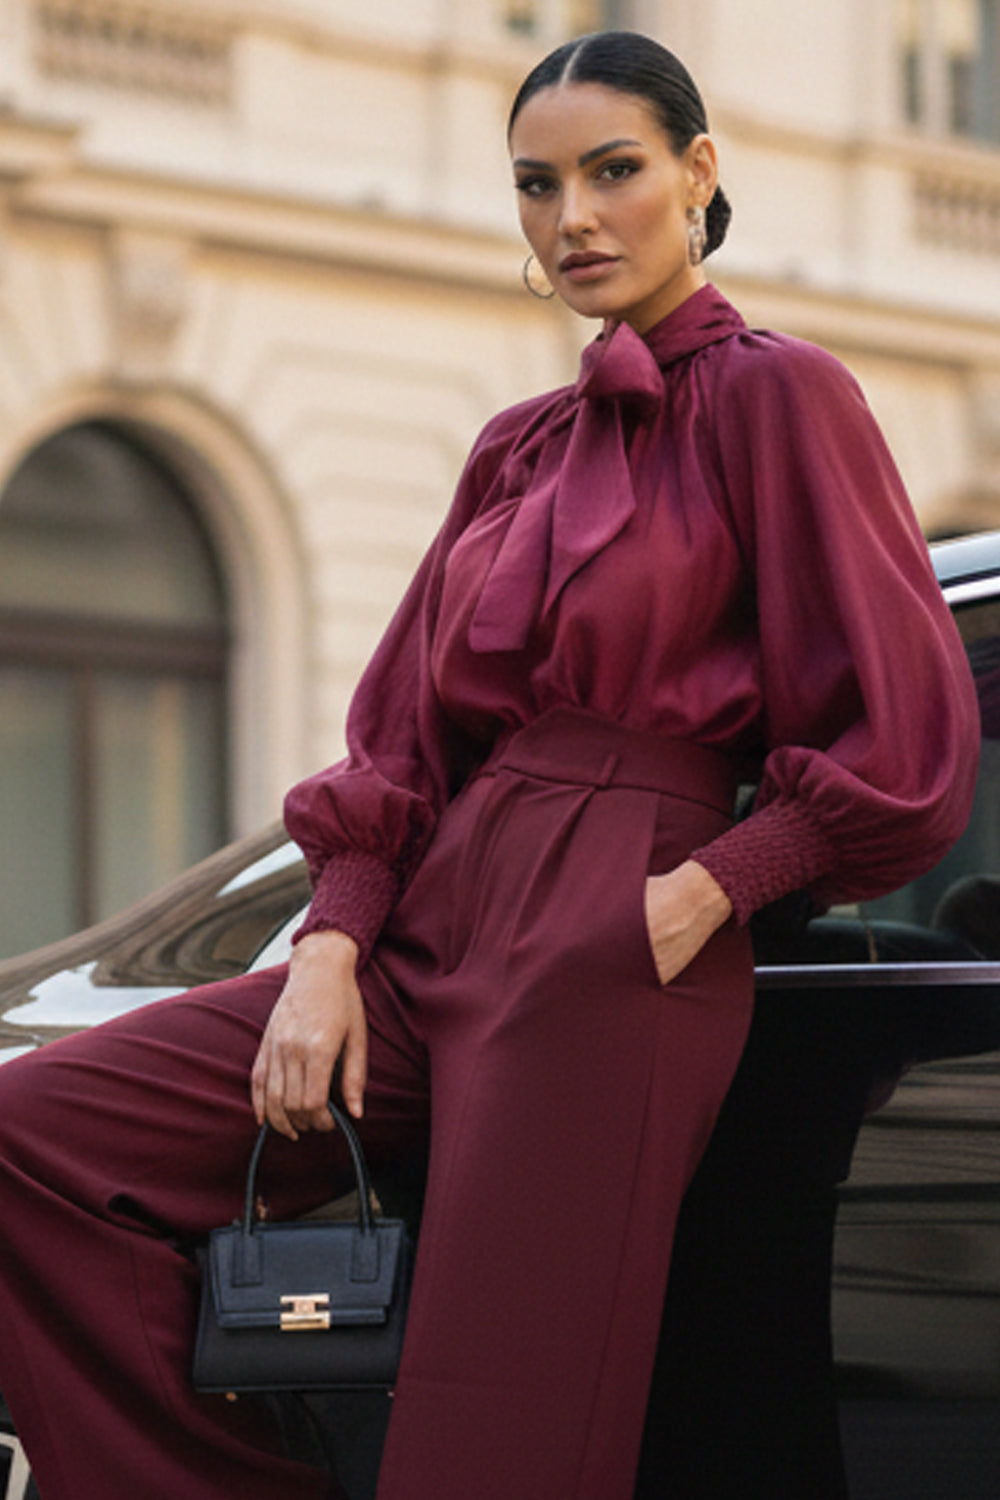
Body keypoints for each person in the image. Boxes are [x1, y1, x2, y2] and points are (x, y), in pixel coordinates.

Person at [0, 29, 980, 1500]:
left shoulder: (784, 397)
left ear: (699, 173)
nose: (572, 217)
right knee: (34, 1137)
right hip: (435, 926)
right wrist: (327, 950)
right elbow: (400, 738)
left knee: (493, 1429)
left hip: (614, 937)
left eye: (613, 171)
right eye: (536, 185)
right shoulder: (516, 449)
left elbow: (905, 730)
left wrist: (705, 892)